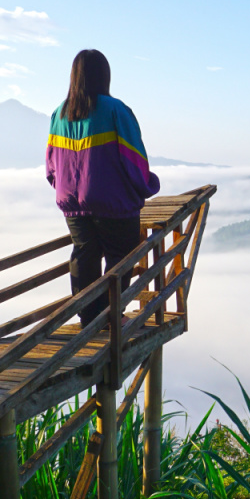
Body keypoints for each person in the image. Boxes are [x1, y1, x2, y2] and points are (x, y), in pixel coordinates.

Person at [46, 49, 161, 327]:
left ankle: (89, 318)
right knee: (121, 257)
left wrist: (67, 189)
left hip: (72, 203)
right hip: (112, 202)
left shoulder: (59, 114)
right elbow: (134, 160)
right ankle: (111, 316)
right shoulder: (115, 110)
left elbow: (51, 166)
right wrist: (147, 185)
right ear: (104, 76)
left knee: (84, 255)